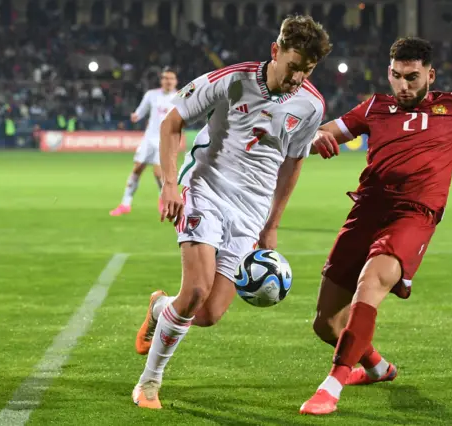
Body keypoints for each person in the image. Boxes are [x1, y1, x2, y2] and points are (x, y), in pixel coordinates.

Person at [300, 37, 452, 415]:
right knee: (325, 324)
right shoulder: (375, 107)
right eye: (396, 76)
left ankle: (331, 385)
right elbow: (327, 132)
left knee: (370, 283)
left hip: (415, 213)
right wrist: (317, 137)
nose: (403, 85)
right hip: (366, 211)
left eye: (412, 77)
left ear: (430, 74)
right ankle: (378, 367)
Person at [132, 15, 333, 409]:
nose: (297, 78)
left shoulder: (311, 105)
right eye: (293, 66)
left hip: (250, 212)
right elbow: (174, 122)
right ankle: (148, 384)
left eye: (306, 70)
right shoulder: (232, 80)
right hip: (205, 189)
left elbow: (293, 164)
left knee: (207, 314)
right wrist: (170, 185)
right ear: (275, 52)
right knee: (194, 291)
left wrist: (272, 224)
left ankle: (159, 307)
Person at [109, 67, 178, 216]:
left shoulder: (180, 98)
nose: (168, 81)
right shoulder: (151, 95)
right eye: (165, 78)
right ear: (161, 80)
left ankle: (163, 200)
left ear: (176, 81)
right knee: (137, 168)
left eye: (171, 78)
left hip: (165, 141)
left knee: (159, 173)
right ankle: (125, 204)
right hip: (149, 138)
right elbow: (141, 111)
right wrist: (135, 116)